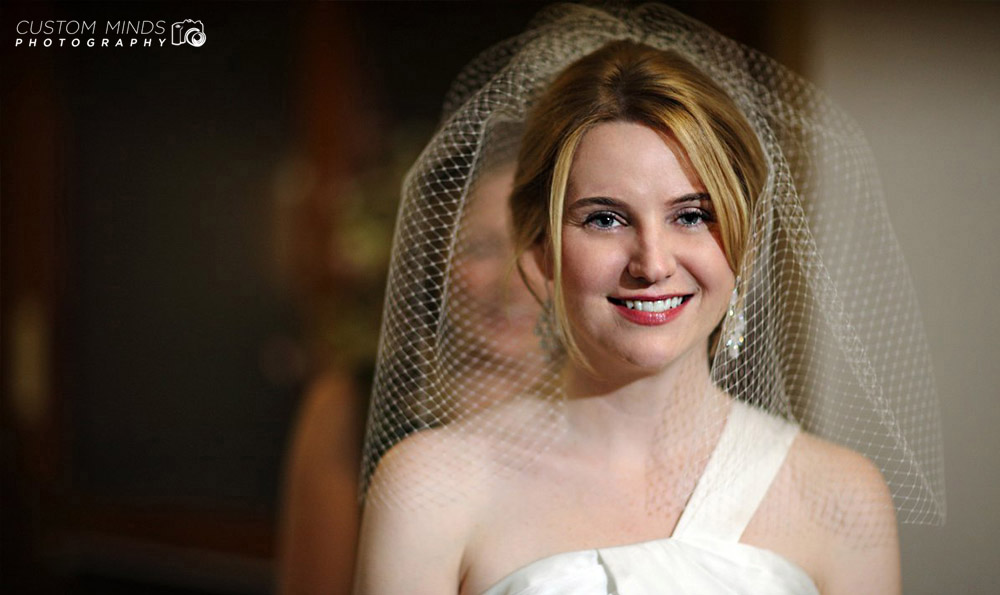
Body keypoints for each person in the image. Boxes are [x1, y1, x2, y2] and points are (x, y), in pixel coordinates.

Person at [354, 4, 945, 594]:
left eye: (692, 215)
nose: (654, 264)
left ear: (744, 238)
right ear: (539, 251)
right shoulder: (431, 486)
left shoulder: (840, 494)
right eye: (606, 219)